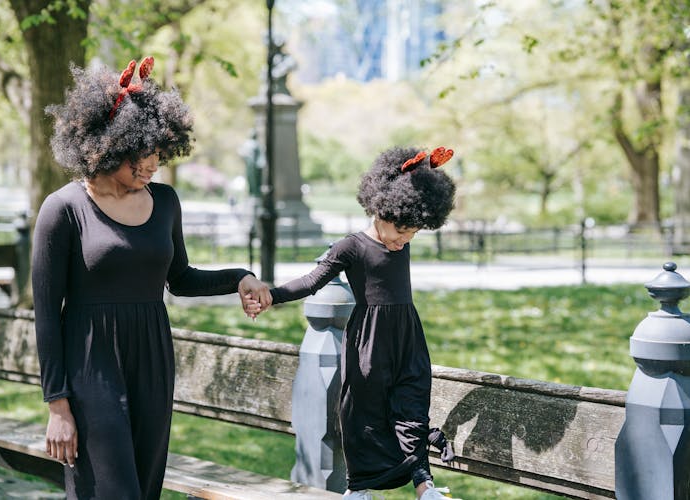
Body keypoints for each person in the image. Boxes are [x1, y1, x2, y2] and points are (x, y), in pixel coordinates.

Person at [33, 56, 270, 499]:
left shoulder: (165, 201)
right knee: (110, 490)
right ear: (107, 145)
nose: (152, 164)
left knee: (143, 488)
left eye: (158, 152)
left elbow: (180, 278)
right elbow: (46, 315)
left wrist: (241, 277)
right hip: (90, 362)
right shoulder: (62, 210)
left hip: (153, 357)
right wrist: (58, 405)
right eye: (141, 154)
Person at [252, 146, 459, 500]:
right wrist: (272, 295)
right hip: (369, 340)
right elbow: (312, 280)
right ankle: (359, 487)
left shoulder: (401, 239)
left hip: (406, 334)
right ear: (382, 209)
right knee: (362, 412)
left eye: (413, 234)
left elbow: (404, 212)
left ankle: (425, 487)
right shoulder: (351, 247)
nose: (404, 240)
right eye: (402, 231)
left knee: (412, 405)